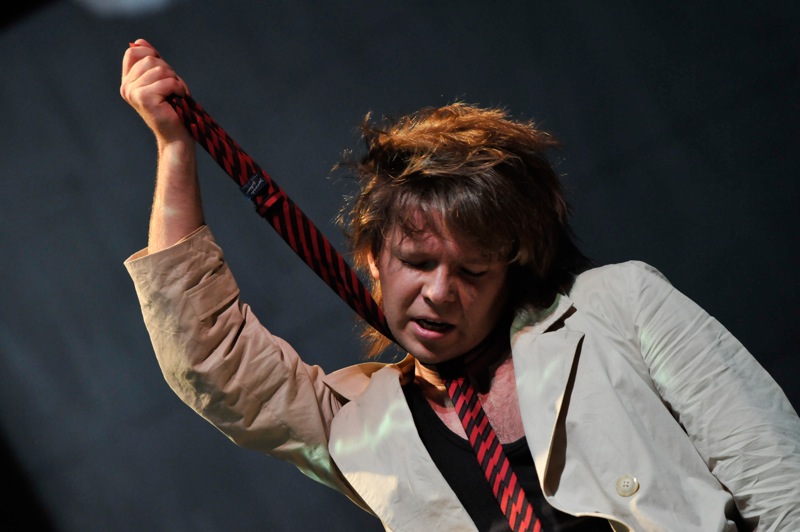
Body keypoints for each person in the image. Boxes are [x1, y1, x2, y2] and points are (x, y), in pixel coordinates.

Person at [121, 38, 800, 531]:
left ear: (513, 268)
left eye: (472, 271)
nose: (441, 292)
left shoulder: (618, 305)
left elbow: (775, 476)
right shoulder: (359, 422)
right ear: (373, 257)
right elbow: (210, 358)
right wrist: (176, 148)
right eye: (418, 263)